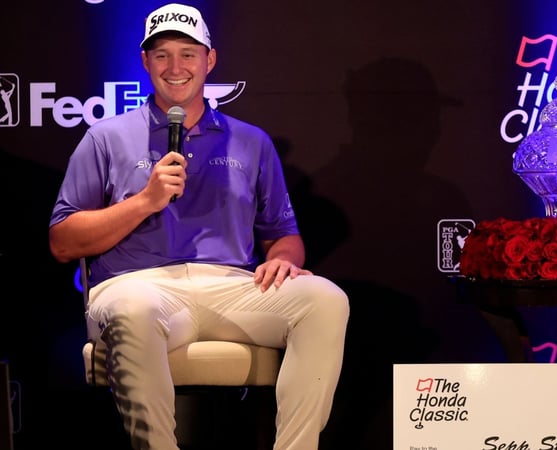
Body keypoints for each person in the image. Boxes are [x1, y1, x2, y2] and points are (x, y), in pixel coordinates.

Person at [48, 3, 349, 449]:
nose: (176, 67)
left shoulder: (251, 141)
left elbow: (283, 235)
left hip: (231, 285)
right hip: (139, 286)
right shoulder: (106, 137)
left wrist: (284, 260)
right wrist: (146, 201)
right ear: (146, 61)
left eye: (189, 54)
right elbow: (62, 243)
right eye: (163, 54)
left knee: (325, 300)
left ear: (209, 60)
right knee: (133, 307)